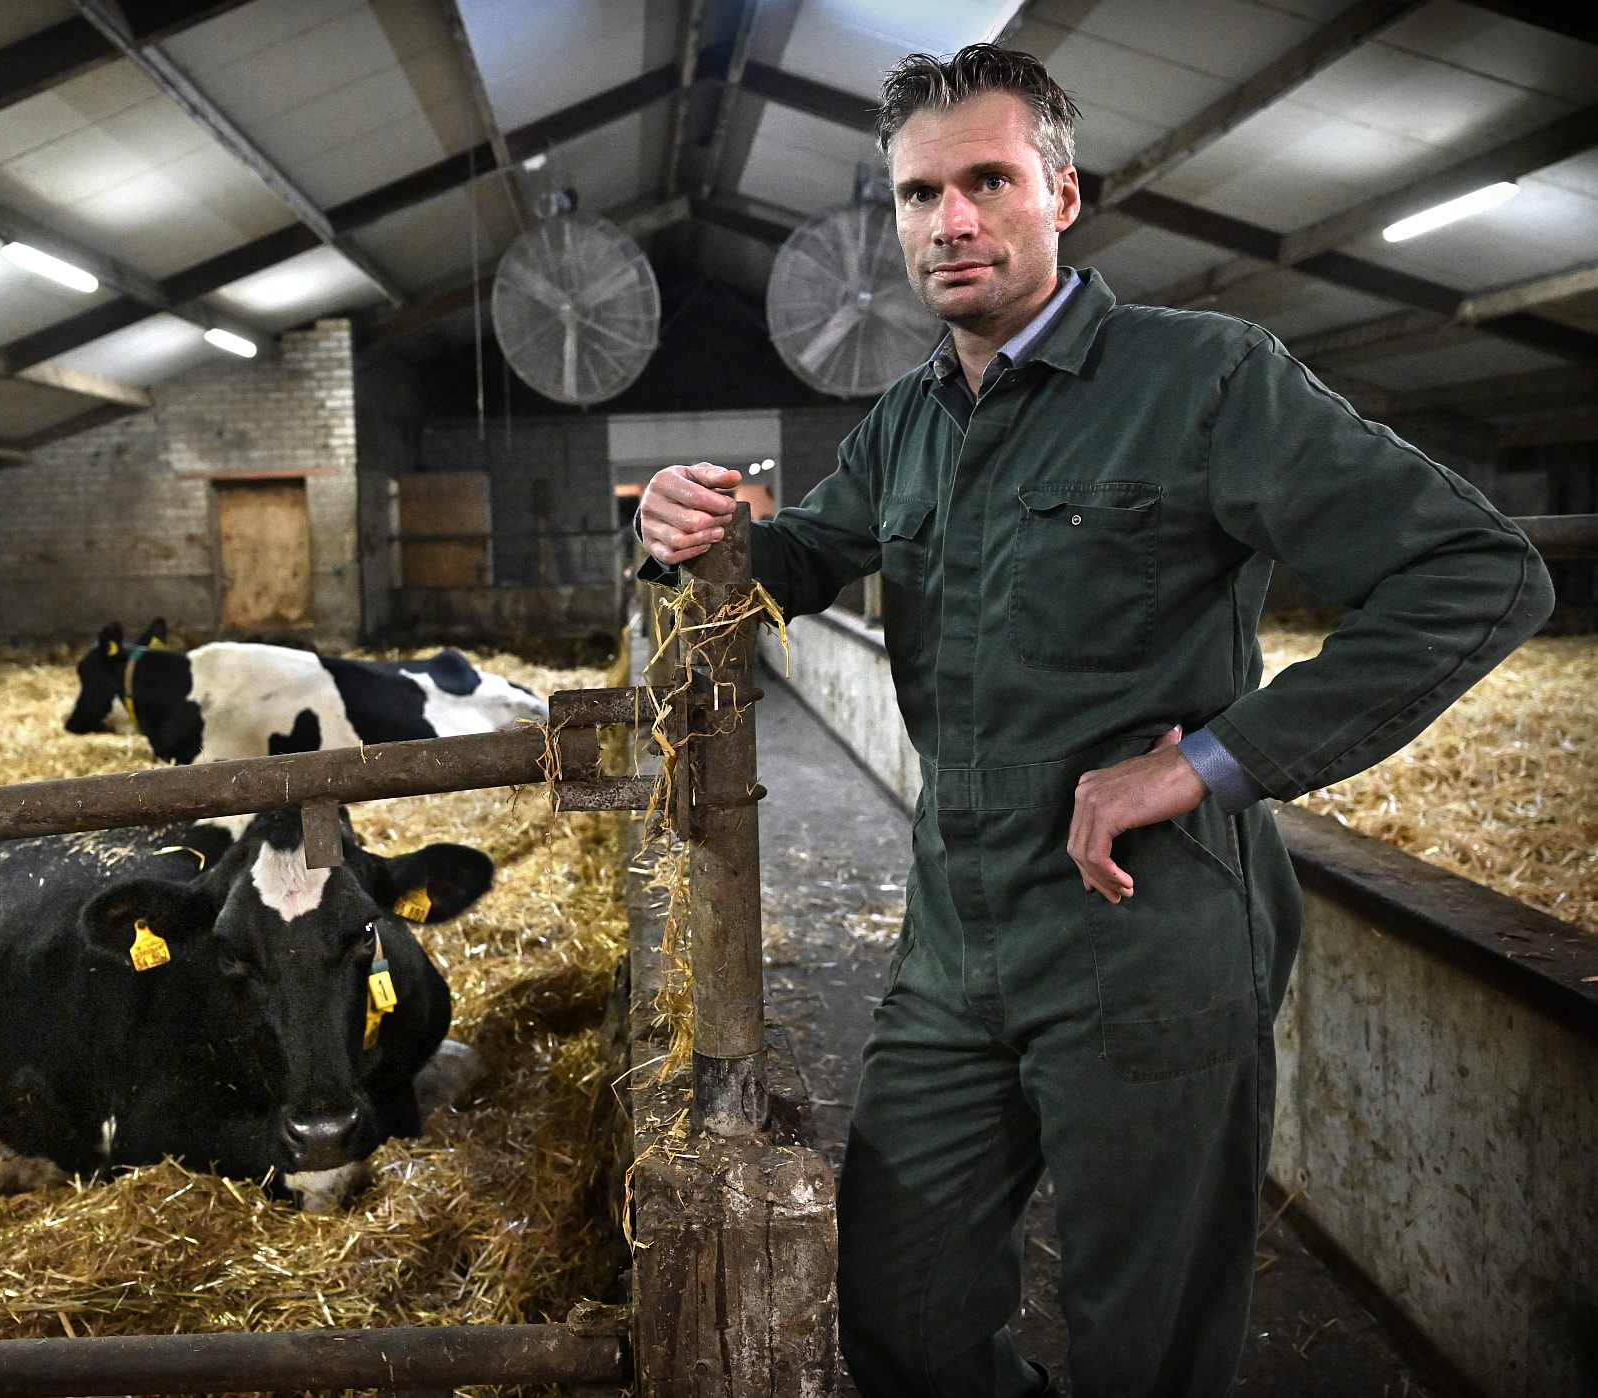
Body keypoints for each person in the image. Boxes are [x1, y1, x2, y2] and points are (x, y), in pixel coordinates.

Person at [636, 42, 1552, 1398]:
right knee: (900, 1302)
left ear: (1064, 193)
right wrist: (689, 536)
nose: (950, 220)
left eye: (989, 180)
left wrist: (1206, 762)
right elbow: (797, 559)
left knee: (1149, 1343)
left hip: (1151, 936)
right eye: (917, 194)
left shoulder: (1204, 380)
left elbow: (1481, 574)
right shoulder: (908, 421)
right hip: (957, 938)